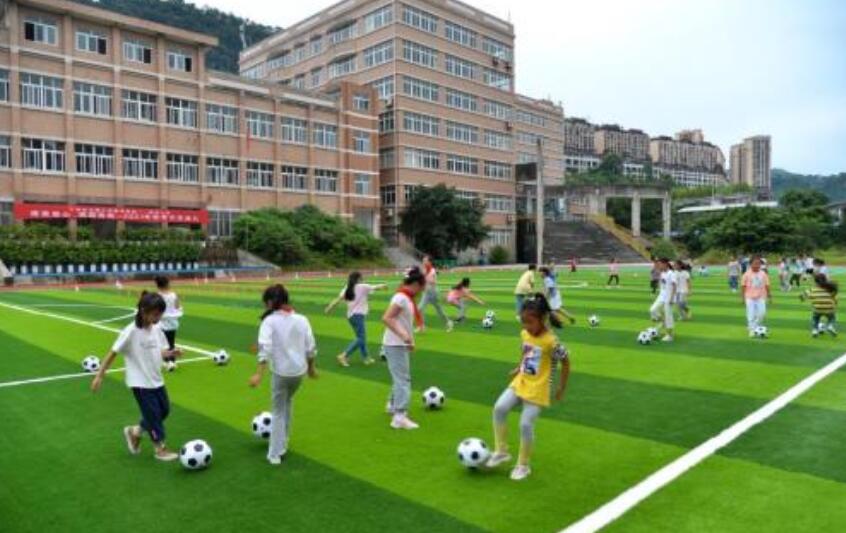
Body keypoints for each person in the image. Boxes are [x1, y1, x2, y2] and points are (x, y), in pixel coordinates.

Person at [485, 293, 570, 481]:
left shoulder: (551, 342)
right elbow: (526, 352)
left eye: (530, 322)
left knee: (525, 424)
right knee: (499, 408)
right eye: (523, 322)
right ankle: (501, 451)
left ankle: (523, 465)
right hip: (521, 380)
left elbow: (566, 362)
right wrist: (519, 367)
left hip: (539, 387)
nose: (526, 326)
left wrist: (561, 388)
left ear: (543, 318)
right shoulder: (525, 334)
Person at [90, 292, 183, 461]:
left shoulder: (157, 328)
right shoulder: (131, 331)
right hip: (140, 382)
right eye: (155, 314)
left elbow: (160, 351)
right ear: (143, 311)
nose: (158, 318)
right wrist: (99, 376)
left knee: (164, 411)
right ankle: (160, 449)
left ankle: (135, 432)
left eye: (160, 314)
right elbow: (112, 353)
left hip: (156, 379)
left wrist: (171, 353)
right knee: (153, 415)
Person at [249, 284, 318, 465]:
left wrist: (258, 374)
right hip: (298, 373)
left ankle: (274, 454)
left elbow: (264, 348)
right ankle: (283, 443)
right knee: (287, 404)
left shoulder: (269, 321)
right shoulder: (302, 319)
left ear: (270, 302)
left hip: (281, 373)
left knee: (278, 411)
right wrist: (311, 368)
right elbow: (311, 347)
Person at [382, 267, 426, 430]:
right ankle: (399, 416)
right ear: (415, 284)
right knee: (403, 380)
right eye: (421, 288)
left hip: (397, 343)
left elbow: (401, 321)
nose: (421, 292)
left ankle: (392, 405)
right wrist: (405, 336)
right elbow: (387, 318)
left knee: (399, 377)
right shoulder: (401, 298)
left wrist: (408, 339)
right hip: (395, 344)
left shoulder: (405, 297)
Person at [325, 272, 387, 367]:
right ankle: (344, 355)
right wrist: (384, 285)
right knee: (361, 339)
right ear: (358, 279)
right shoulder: (362, 286)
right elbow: (376, 287)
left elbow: (338, 299)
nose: (363, 279)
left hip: (351, 316)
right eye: (361, 278)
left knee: (360, 338)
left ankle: (366, 358)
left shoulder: (347, 288)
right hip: (358, 316)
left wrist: (329, 307)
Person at [418, 255, 454, 332]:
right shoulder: (423, 270)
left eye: (425, 261)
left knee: (439, 310)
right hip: (426, 293)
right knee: (420, 308)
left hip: (433, 293)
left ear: (429, 262)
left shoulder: (432, 271)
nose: (423, 262)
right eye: (423, 261)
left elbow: (434, 282)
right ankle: (421, 326)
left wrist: (426, 279)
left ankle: (449, 322)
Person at [155, 276, 182, 372]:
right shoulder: (174, 295)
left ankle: (167, 362)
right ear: (167, 284)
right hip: (172, 323)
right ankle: (172, 361)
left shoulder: (157, 296)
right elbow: (178, 307)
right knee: (171, 342)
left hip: (161, 323)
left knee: (162, 343)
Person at [741, 256, 771, 337]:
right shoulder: (746, 274)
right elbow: (743, 286)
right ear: (750, 264)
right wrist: (742, 297)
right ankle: (752, 330)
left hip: (761, 297)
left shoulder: (763, 274)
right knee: (751, 314)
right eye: (755, 263)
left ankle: (755, 326)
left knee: (762, 313)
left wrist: (769, 295)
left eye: (758, 264)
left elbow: (767, 284)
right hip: (749, 297)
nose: (757, 265)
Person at [650, 258, 677, 342]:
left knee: (668, 316)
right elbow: (662, 285)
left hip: (669, 297)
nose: (659, 265)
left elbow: (674, 286)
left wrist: (672, 298)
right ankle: (663, 321)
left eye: (660, 264)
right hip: (661, 296)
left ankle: (670, 335)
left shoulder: (671, 273)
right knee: (652, 310)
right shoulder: (662, 273)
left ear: (665, 264)